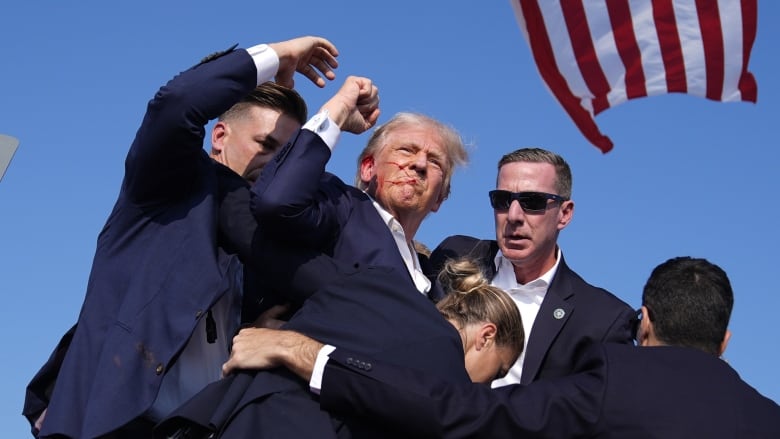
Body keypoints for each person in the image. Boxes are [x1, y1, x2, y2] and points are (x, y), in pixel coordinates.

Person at [23, 36, 379, 439]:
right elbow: (177, 103)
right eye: (265, 145)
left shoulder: (268, 243)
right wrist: (279, 55)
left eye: (285, 156)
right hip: (110, 422)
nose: (274, 163)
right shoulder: (165, 187)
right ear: (220, 136)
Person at [234, 256, 780, 438]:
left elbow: (458, 411)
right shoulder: (767, 418)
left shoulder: (616, 384)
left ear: (644, 322)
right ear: (725, 341)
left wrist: (307, 353)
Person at [155, 254, 523, 438]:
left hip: (218, 419)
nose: (486, 385)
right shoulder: (447, 373)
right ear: (486, 335)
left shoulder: (376, 286)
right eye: (499, 370)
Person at [429, 147, 635, 385]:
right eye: (503, 200)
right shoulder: (454, 254)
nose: (514, 215)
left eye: (532, 202)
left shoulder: (602, 320)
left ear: (565, 214)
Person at [250, 111, 468, 301]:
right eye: (406, 150)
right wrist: (338, 112)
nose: (420, 164)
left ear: (439, 198)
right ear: (368, 168)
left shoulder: (432, 281)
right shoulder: (341, 206)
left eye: (434, 161)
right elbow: (277, 202)